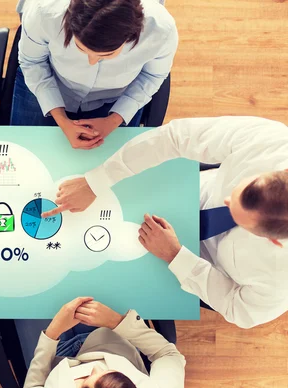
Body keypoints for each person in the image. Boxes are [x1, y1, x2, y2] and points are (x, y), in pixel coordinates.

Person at [43, 116, 288, 329]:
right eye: (237, 191)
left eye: (237, 216)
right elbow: (175, 137)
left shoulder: (281, 280)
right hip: (183, 190)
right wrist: (95, 181)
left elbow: (238, 309)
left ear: (274, 241)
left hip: (191, 266)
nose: (226, 200)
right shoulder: (273, 142)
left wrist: (175, 256)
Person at [12, 0, 178, 151]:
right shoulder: (43, 10)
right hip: (50, 81)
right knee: (26, 153)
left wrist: (113, 121)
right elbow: (33, 63)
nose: (92, 61)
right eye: (81, 49)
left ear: (133, 34)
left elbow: (152, 76)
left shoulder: (161, 29)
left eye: (107, 54)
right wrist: (62, 120)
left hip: (117, 97)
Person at [20, 296, 185, 388]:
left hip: (55, 356)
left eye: (84, 380)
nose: (94, 367)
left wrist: (52, 333)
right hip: (110, 336)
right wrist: (116, 321)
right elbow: (167, 353)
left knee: (27, 295)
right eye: (114, 374)